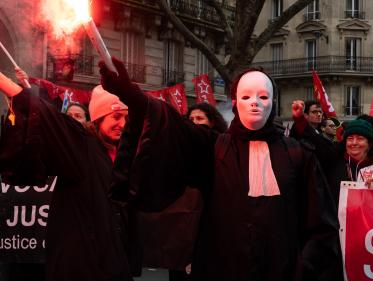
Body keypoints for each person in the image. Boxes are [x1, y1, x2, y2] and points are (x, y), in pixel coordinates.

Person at [100, 59, 338, 281]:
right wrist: (132, 95)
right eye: (246, 96)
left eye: (263, 96)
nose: (255, 102)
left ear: (273, 102)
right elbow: (173, 128)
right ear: (234, 102)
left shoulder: (298, 155)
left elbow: (321, 225)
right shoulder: (213, 148)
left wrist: (304, 268)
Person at [0, 69, 133, 281]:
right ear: (97, 118)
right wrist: (7, 83)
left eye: (128, 117)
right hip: (81, 265)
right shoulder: (81, 145)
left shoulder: (127, 152)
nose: (123, 124)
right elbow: (46, 116)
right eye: (116, 116)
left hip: (114, 263)